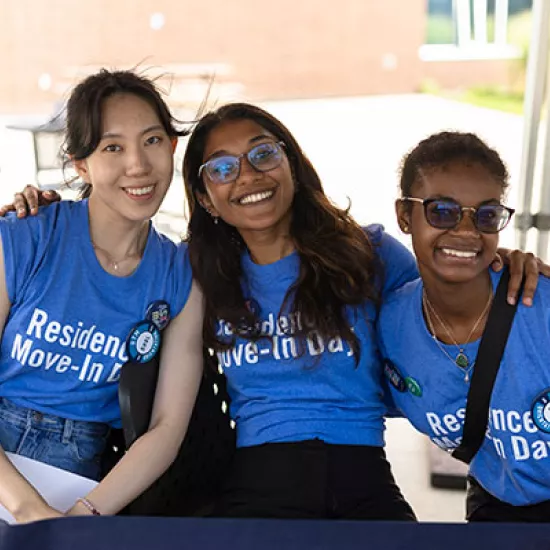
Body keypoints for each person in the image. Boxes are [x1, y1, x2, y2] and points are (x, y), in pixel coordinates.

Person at [8, 104, 545, 521]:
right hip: (260, 475)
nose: (248, 175)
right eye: (222, 168)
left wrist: (498, 264)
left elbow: (442, 306)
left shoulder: (369, 254)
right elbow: (108, 255)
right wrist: (45, 207)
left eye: (264, 154)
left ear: (291, 162)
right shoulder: (201, 273)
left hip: (364, 473)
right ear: (206, 195)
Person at [0, 69, 203, 523]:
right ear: (80, 164)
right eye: (113, 147)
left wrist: (84, 515)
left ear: (172, 146)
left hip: (78, 469)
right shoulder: (25, 236)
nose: (138, 165)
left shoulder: (181, 278)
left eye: (152, 140)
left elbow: (166, 429)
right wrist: (27, 507)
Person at [377, 131, 550, 522]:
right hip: (497, 504)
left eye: (486, 215)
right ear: (405, 216)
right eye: (442, 211)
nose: (468, 232)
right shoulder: (390, 327)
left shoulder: (540, 309)